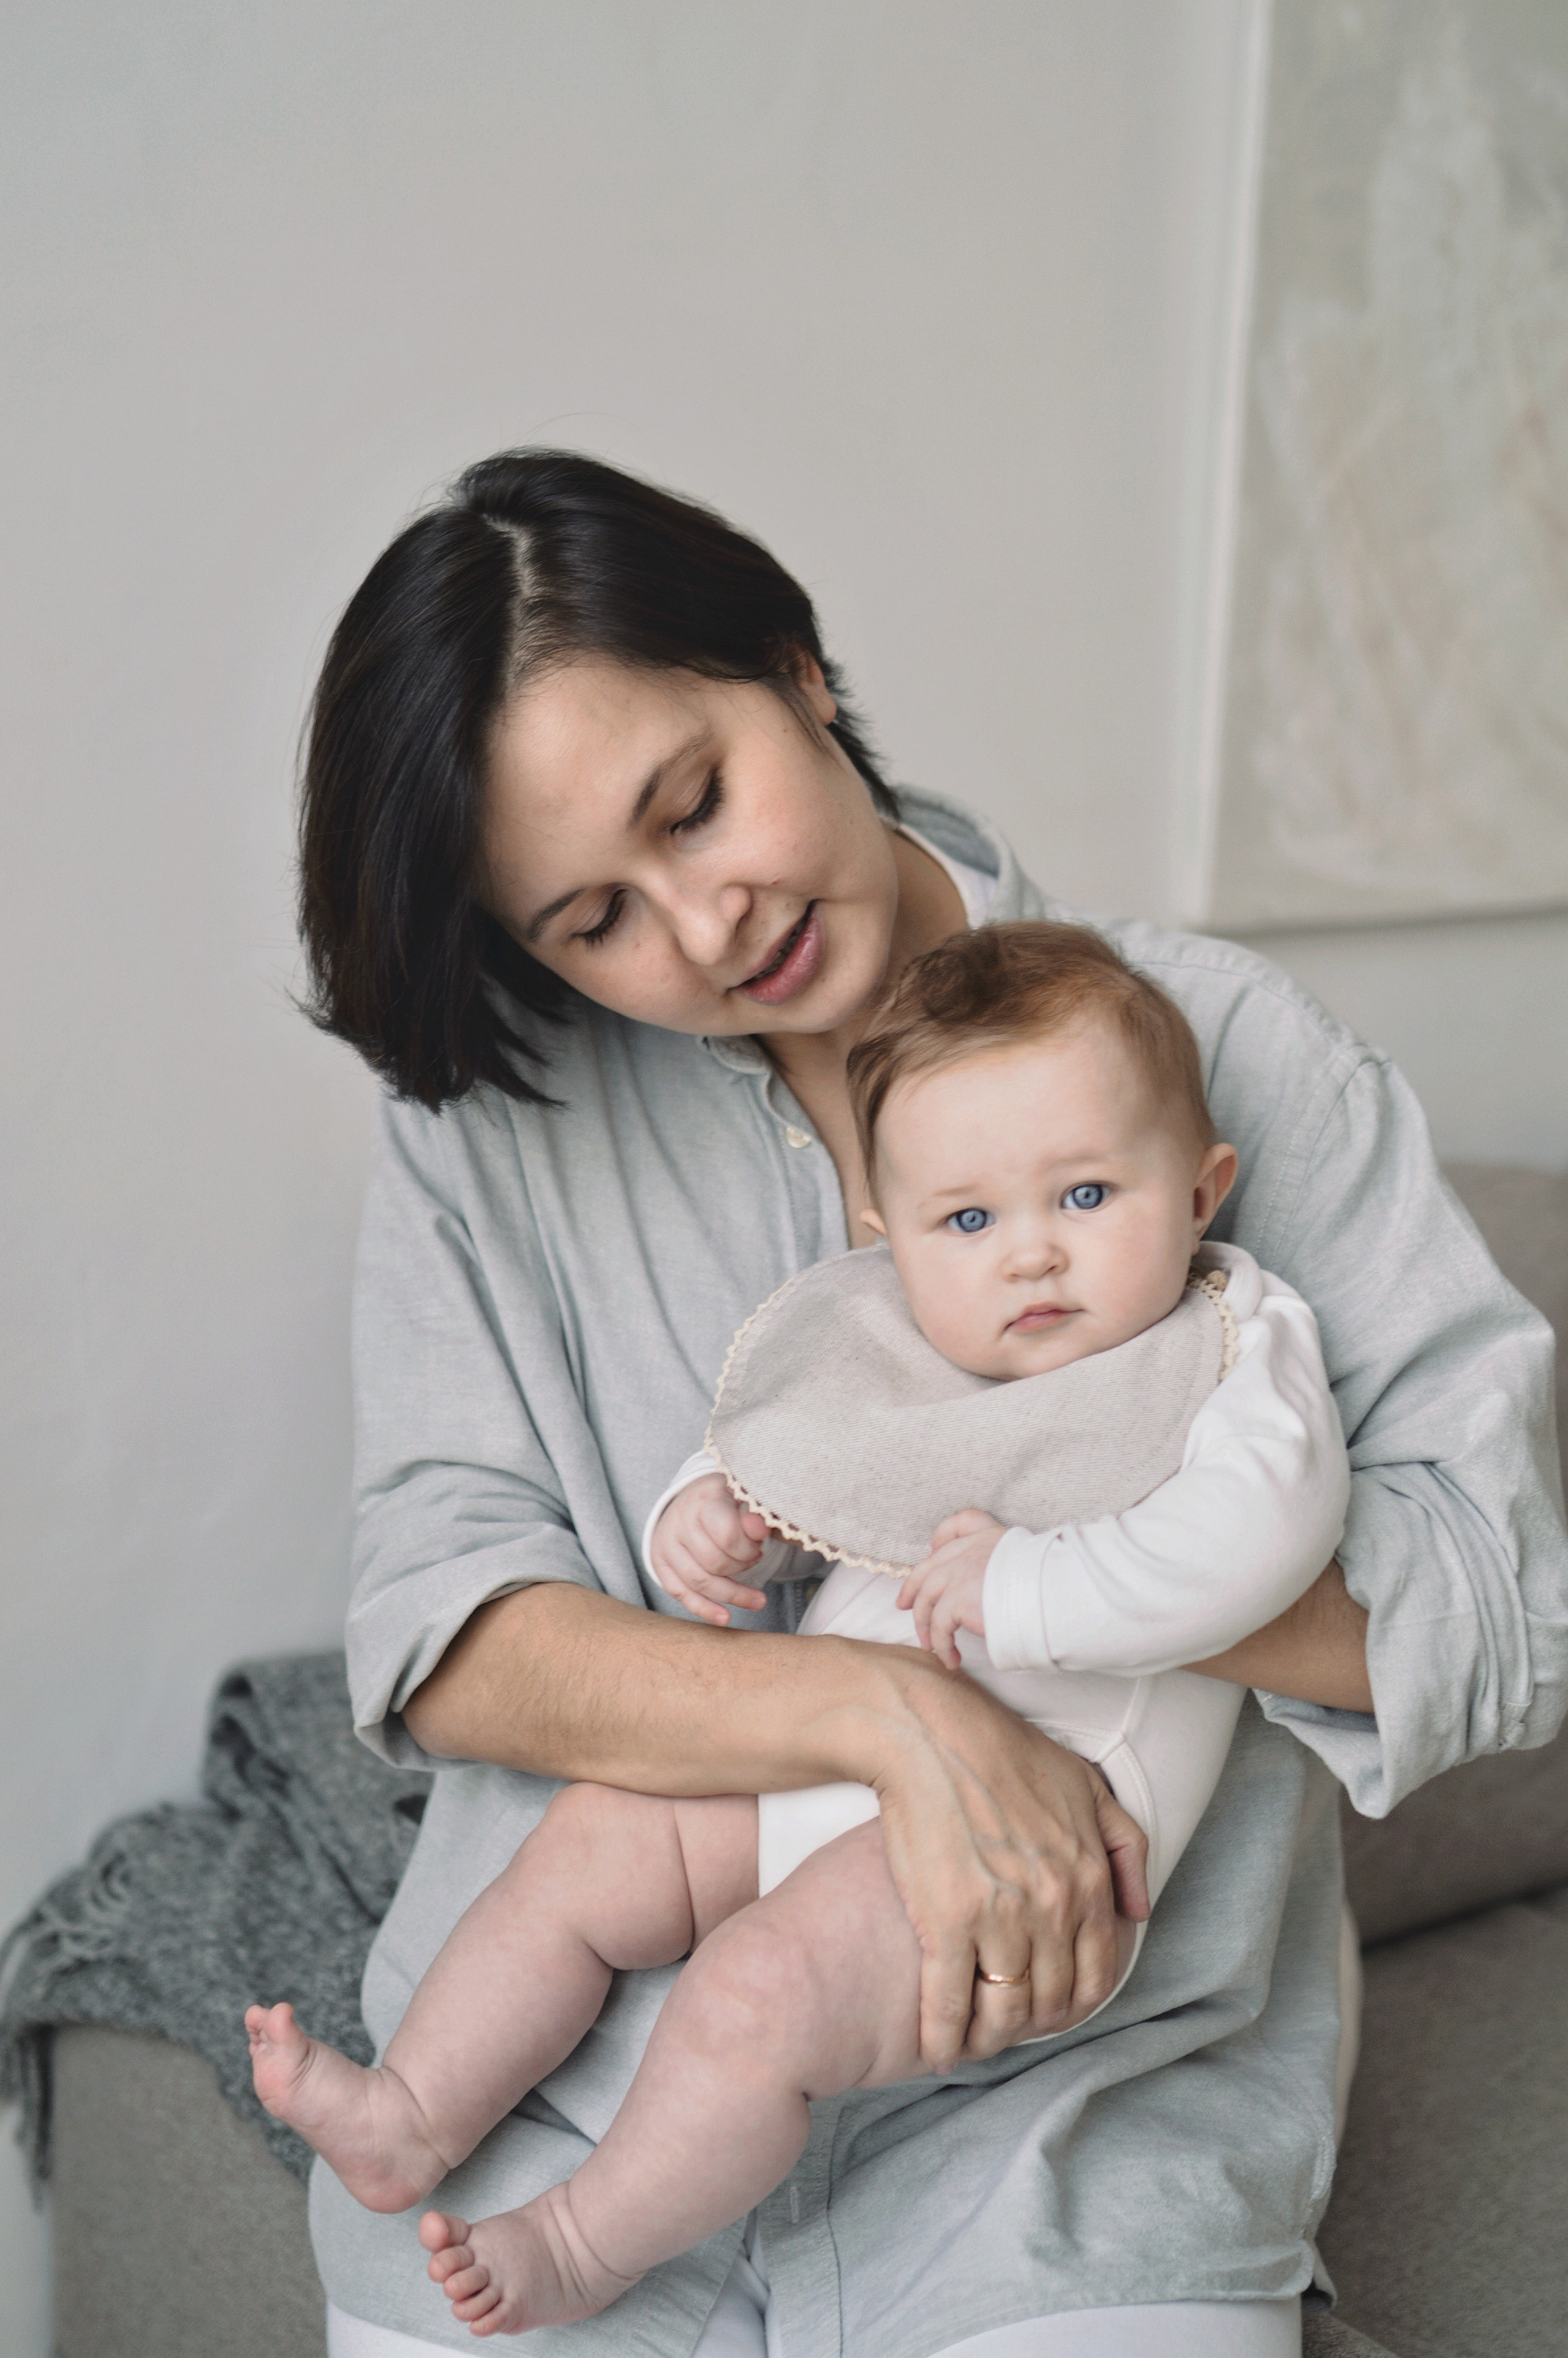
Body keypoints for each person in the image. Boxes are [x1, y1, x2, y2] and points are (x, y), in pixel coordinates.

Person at [299, 450, 1567, 2358]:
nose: (705, 926)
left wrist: (1087, 1584)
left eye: (697, 803)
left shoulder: (1228, 1062)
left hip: (1064, 2128)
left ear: (796, 669)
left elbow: (1506, 1607)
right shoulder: (494, 1144)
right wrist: (892, 1716)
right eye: (594, 920)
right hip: (555, 2110)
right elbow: (444, 1627)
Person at [246, 921, 1350, 2337]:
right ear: (891, 1232)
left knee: (753, 1988)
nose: (1030, 1256)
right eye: (969, 1220)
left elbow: (1259, 1540)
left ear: (1201, 1188)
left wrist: (1025, 1593)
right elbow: (791, 1446)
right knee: (589, 1839)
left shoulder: (1225, 1344)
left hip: (1032, 1849)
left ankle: (583, 2241)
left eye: (1084, 1192)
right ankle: (412, 2107)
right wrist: (706, 1513)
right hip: (817, 1772)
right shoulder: (898, 1332)